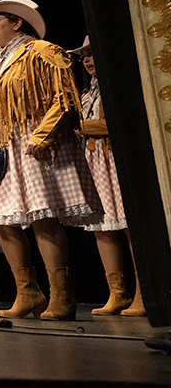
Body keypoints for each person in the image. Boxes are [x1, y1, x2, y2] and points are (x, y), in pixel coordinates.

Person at [0, 0, 103, 320]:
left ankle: (62, 296)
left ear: (16, 22)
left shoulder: (43, 51)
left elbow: (64, 97)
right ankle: (28, 292)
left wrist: (43, 134)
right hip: (2, 147)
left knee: (43, 217)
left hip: (33, 141)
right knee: (4, 221)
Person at [69, 36, 143, 316]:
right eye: (84, 55)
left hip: (115, 159)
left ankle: (143, 292)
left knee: (128, 225)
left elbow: (123, 120)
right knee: (102, 225)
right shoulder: (87, 93)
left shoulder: (118, 86)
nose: (87, 60)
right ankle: (117, 293)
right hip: (94, 161)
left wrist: (85, 127)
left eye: (92, 53)